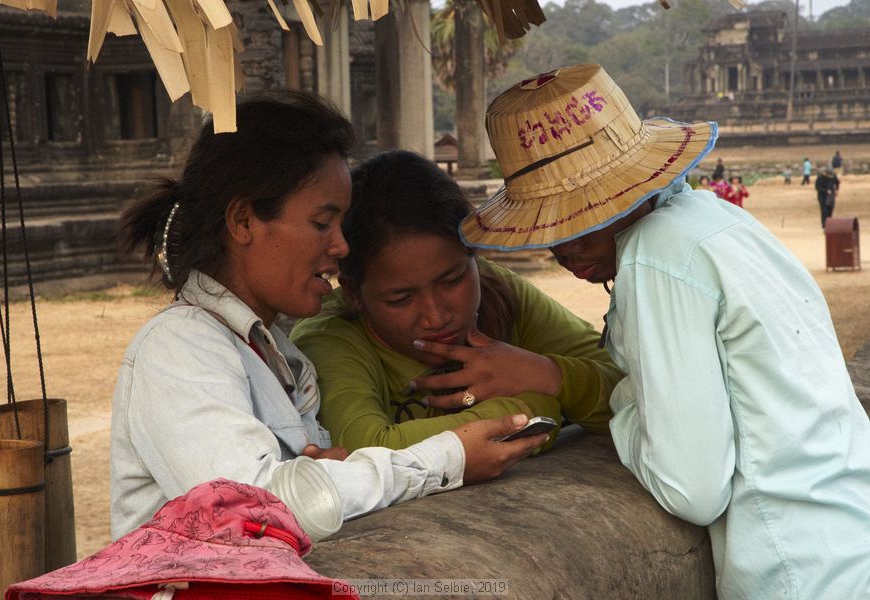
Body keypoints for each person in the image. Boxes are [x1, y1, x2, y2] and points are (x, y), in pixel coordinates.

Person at [460, 64, 870, 600]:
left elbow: (692, 489)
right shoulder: (719, 220)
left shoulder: (655, 257)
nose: (564, 249)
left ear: (632, 194)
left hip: (796, 568)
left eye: (582, 220)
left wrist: (628, 405)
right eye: (552, 228)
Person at [110, 92, 547, 540]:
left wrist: (325, 478)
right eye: (322, 223)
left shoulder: (278, 353)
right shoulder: (179, 346)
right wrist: (447, 459)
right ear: (243, 221)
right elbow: (255, 508)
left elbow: (310, 491)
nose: (341, 246)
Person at [291, 150, 623, 452]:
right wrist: (533, 405)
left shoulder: (499, 289)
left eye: (452, 281)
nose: (436, 317)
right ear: (353, 293)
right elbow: (365, 448)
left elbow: (632, 391)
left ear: (474, 258)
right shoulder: (329, 336)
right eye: (400, 298)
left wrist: (549, 375)